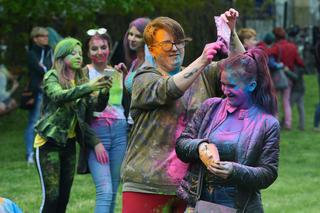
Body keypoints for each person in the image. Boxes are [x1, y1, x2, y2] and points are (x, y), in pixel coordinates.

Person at [121, 9, 245, 213]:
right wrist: (203, 59)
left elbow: (241, 66)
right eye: (166, 43)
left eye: (179, 42)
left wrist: (230, 32)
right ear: (152, 50)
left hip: (191, 187)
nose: (175, 48)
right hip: (147, 184)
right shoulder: (143, 78)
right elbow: (169, 89)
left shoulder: (204, 75)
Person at [176, 48, 280, 212]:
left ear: (251, 85)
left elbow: (268, 173)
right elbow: (181, 144)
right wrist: (199, 146)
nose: (224, 90)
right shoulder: (210, 107)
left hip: (241, 207)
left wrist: (235, 171)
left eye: (231, 85)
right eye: (222, 84)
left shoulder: (267, 123)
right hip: (201, 205)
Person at [34, 37, 111, 212]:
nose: (79, 57)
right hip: (48, 143)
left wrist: (104, 91)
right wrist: (89, 87)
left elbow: (95, 106)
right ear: (62, 56)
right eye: (73, 53)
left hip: (68, 145)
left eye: (80, 53)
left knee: (63, 198)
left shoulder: (81, 80)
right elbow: (58, 96)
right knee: (51, 198)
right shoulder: (51, 76)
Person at [79, 28, 128, 213]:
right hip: (96, 132)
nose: (99, 52)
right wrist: (95, 142)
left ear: (109, 48)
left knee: (114, 190)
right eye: (94, 48)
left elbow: (127, 102)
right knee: (105, 191)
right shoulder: (83, 73)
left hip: (120, 131)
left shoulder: (116, 72)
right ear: (88, 52)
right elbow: (80, 113)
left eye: (103, 47)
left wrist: (125, 74)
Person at [24, 26, 54, 164]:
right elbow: (40, 69)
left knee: (48, 122)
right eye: (42, 36)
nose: (46, 38)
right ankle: (30, 153)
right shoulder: (31, 53)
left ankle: (45, 150)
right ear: (35, 38)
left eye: (47, 36)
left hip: (49, 92)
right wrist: (48, 70)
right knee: (33, 122)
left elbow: (53, 68)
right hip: (37, 93)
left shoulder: (50, 51)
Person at [115, 17, 150, 127]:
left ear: (147, 38)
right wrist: (125, 75)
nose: (132, 38)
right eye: (130, 34)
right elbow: (131, 93)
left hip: (146, 123)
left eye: (138, 36)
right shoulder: (135, 62)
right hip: (132, 121)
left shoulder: (151, 62)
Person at [268, 27, 304, 130]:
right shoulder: (293, 47)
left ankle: (276, 123)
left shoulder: (276, 47)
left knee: (276, 100)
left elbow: (268, 56)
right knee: (286, 101)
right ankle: (288, 124)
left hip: (277, 77)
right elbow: (300, 62)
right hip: (289, 77)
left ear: (275, 36)